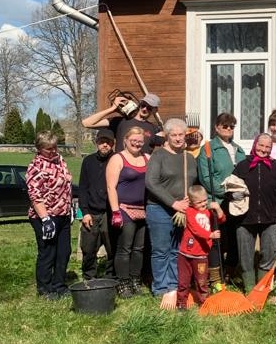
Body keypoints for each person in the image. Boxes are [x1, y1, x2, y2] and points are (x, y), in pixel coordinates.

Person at [146, 118, 197, 308]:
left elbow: (195, 183)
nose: (177, 138)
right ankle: (161, 287)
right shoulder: (158, 155)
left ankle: (174, 285)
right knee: (161, 250)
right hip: (160, 209)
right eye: (173, 135)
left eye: (181, 134)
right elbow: (152, 183)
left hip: (184, 211)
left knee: (178, 250)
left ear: (186, 135)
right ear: (167, 136)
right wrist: (173, 202)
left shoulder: (189, 158)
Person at [232, 133, 276, 293]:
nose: (263, 149)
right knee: (246, 258)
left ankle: (261, 290)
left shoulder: (275, 167)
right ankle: (250, 291)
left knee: (268, 256)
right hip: (245, 219)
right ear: (255, 144)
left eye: (267, 147)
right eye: (261, 145)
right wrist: (232, 195)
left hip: (270, 218)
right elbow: (231, 189)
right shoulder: (242, 166)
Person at [196, 113, 246, 287]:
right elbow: (205, 177)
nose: (228, 129)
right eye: (225, 126)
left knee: (234, 240)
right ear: (216, 127)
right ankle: (215, 278)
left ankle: (229, 274)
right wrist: (226, 193)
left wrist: (240, 193)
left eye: (232, 126)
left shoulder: (239, 150)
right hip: (217, 201)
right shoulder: (208, 149)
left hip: (237, 203)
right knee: (217, 241)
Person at [26, 132, 74, 300]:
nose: (53, 151)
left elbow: (67, 185)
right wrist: (46, 219)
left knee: (64, 251)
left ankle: (59, 285)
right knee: (48, 252)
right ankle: (45, 289)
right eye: (48, 149)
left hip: (63, 214)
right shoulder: (36, 167)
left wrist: (71, 208)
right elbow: (35, 196)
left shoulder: (60, 161)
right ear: (39, 149)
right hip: (44, 216)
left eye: (55, 147)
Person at [106, 125, 149, 297]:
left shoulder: (147, 158)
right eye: (134, 141)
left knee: (139, 248)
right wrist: (115, 211)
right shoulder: (118, 159)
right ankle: (122, 283)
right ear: (125, 141)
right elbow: (111, 187)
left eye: (140, 141)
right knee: (125, 248)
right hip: (124, 209)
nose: (137, 144)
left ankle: (135, 280)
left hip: (143, 210)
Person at [176, 184, 225, 310]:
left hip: (201, 255)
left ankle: (204, 303)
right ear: (192, 203)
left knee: (202, 281)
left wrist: (218, 208)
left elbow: (222, 220)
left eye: (205, 200)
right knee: (184, 281)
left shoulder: (209, 211)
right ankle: (181, 303)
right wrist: (211, 235)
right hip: (185, 254)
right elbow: (196, 229)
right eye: (199, 202)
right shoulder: (190, 212)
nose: (203, 204)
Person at [77, 128, 115, 280]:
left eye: (108, 142)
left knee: (112, 247)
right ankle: (89, 277)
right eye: (101, 142)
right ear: (96, 143)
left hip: (110, 212)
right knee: (88, 247)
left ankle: (111, 277)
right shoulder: (88, 161)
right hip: (91, 211)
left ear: (113, 144)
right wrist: (84, 212)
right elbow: (83, 188)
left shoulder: (117, 160)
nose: (105, 145)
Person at [82, 92, 162, 155]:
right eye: (143, 105)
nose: (145, 109)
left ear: (155, 110)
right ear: (140, 104)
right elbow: (87, 123)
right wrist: (112, 109)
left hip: (141, 171)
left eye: (149, 108)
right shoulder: (120, 121)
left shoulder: (154, 129)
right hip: (121, 169)